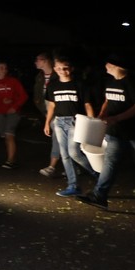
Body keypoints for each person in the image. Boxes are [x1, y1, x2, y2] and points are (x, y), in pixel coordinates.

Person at [80, 54, 135, 215]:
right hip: (116, 132)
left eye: (108, 63)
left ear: (116, 66)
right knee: (110, 163)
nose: (106, 66)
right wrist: (102, 114)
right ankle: (99, 195)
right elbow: (108, 100)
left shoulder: (131, 83)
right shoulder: (111, 81)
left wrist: (117, 118)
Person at [42, 54, 96, 197]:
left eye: (65, 68)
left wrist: (92, 123)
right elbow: (52, 105)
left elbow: (87, 105)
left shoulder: (79, 84)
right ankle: (73, 185)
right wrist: (47, 122)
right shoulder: (52, 85)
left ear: (71, 69)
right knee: (65, 155)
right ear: (55, 69)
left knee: (74, 152)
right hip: (59, 121)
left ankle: (98, 173)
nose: (62, 71)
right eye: (59, 68)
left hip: (75, 121)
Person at [0, 60, 27, 168]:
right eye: (1, 68)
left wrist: (15, 107)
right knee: (5, 136)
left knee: (9, 134)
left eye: (5, 68)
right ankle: (12, 157)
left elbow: (23, 96)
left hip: (13, 112)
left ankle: (10, 160)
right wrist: (0, 101)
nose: (4, 70)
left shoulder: (13, 81)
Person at [32, 50, 61, 176]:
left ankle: (52, 166)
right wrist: (40, 105)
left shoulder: (57, 75)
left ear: (45, 61)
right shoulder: (40, 76)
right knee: (61, 139)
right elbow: (38, 94)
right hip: (47, 111)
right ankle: (73, 167)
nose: (35, 62)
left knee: (58, 138)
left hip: (58, 112)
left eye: (38, 60)